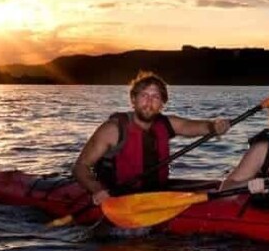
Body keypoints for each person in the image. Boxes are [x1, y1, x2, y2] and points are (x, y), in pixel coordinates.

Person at [73, 71, 231, 205]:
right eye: (144, 95)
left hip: (155, 194)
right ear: (133, 100)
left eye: (155, 97)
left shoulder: (166, 123)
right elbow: (81, 166)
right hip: (117, 197)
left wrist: (214, 126)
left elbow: (193, 127)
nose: (149, 102)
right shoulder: (113, 129)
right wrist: (97, 190)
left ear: (162, 103)